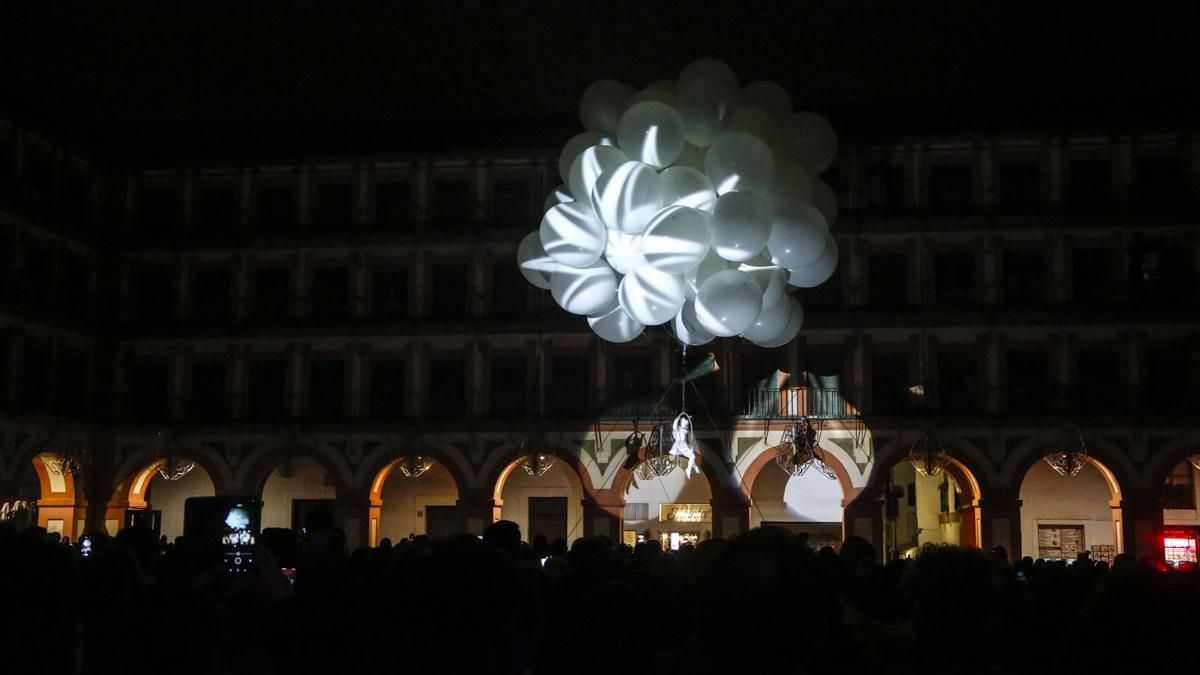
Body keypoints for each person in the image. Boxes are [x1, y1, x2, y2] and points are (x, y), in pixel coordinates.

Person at [668, 412, 699, 478]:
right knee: (692, 456)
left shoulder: (684, 429)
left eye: (686, 424)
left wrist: (687, 418)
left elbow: (685, 423)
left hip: (684, 445)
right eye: (685, 423)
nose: (686, 425)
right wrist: (680, 414)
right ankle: (690, 469)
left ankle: (693, 466)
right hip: (680, 445)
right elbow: (676, 421)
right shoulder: (677, 429)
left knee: (692, 456)